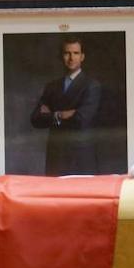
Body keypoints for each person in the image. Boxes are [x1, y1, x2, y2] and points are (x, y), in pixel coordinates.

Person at [29, 36, 102, 175]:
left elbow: (82, 119)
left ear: (82, 56)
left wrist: (52, 114)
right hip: (56, 156)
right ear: (61, 56)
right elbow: (36, 119)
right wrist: (63, 114)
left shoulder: (92, 86)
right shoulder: (52, 86)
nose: (71, 58)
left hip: (81, 157)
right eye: (67, 53)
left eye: (75, 53)